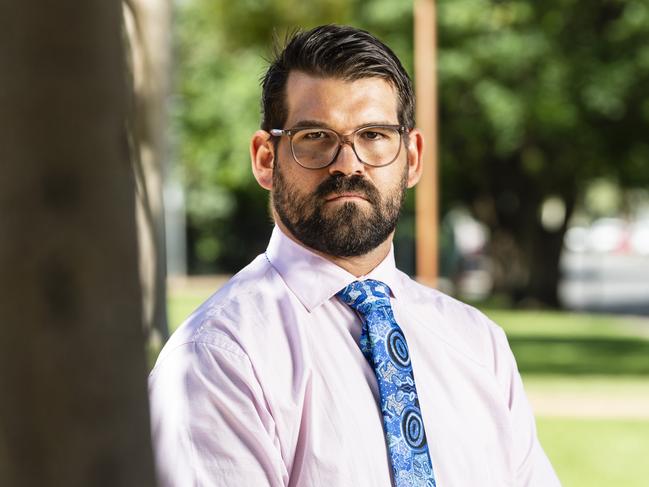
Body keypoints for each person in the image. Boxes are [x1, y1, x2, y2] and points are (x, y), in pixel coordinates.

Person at [149, 24, 561, 487]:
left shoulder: (479, 345)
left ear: (413, 156)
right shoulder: (219, 358)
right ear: (266, 159)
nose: (347, 163)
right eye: (315, 137)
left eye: (373, 134)